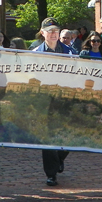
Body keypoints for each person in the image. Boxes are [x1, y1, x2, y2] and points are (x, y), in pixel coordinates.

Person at [34, 17, 72, 186]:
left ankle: (59, 157)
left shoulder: (69, 52)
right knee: (47, 137)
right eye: (49, 32)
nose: (53, 34)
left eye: (56, 31)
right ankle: (51, 173)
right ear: (43, 33)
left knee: (70, 134)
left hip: (65, 99)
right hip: (45, 100)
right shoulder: (35, 53)